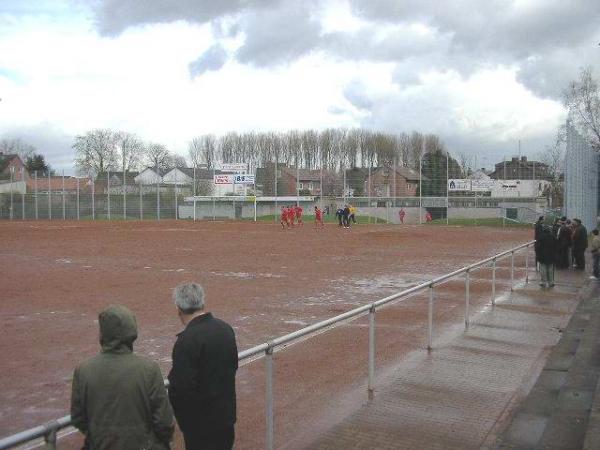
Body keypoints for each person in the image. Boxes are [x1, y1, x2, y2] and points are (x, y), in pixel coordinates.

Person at [71, 305, 174, 450]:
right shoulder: (149, 369)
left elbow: (78, 418)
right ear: (132, 331)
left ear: (102, 333)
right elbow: (164, 422)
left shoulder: (83, 370)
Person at [169, 283, 238, 450]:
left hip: (201, 427)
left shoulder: (186, 340)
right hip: (225, 419)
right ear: (202, 303)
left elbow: (181, 388)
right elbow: (233, 366)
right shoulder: (225, 328)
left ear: (179, 309)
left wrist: (186, 424)